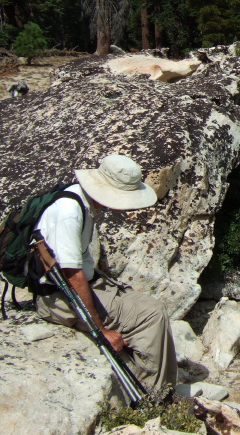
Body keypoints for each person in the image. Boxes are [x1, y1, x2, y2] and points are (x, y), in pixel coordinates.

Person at [34, 154, 177, 397]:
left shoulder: (76, 196)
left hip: (75, 286)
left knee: (146, 305)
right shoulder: (69, 211)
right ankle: (156, 394)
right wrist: (101, 331)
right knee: (152, 314)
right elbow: (72, 276)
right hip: (58, 297)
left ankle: (152, 379)